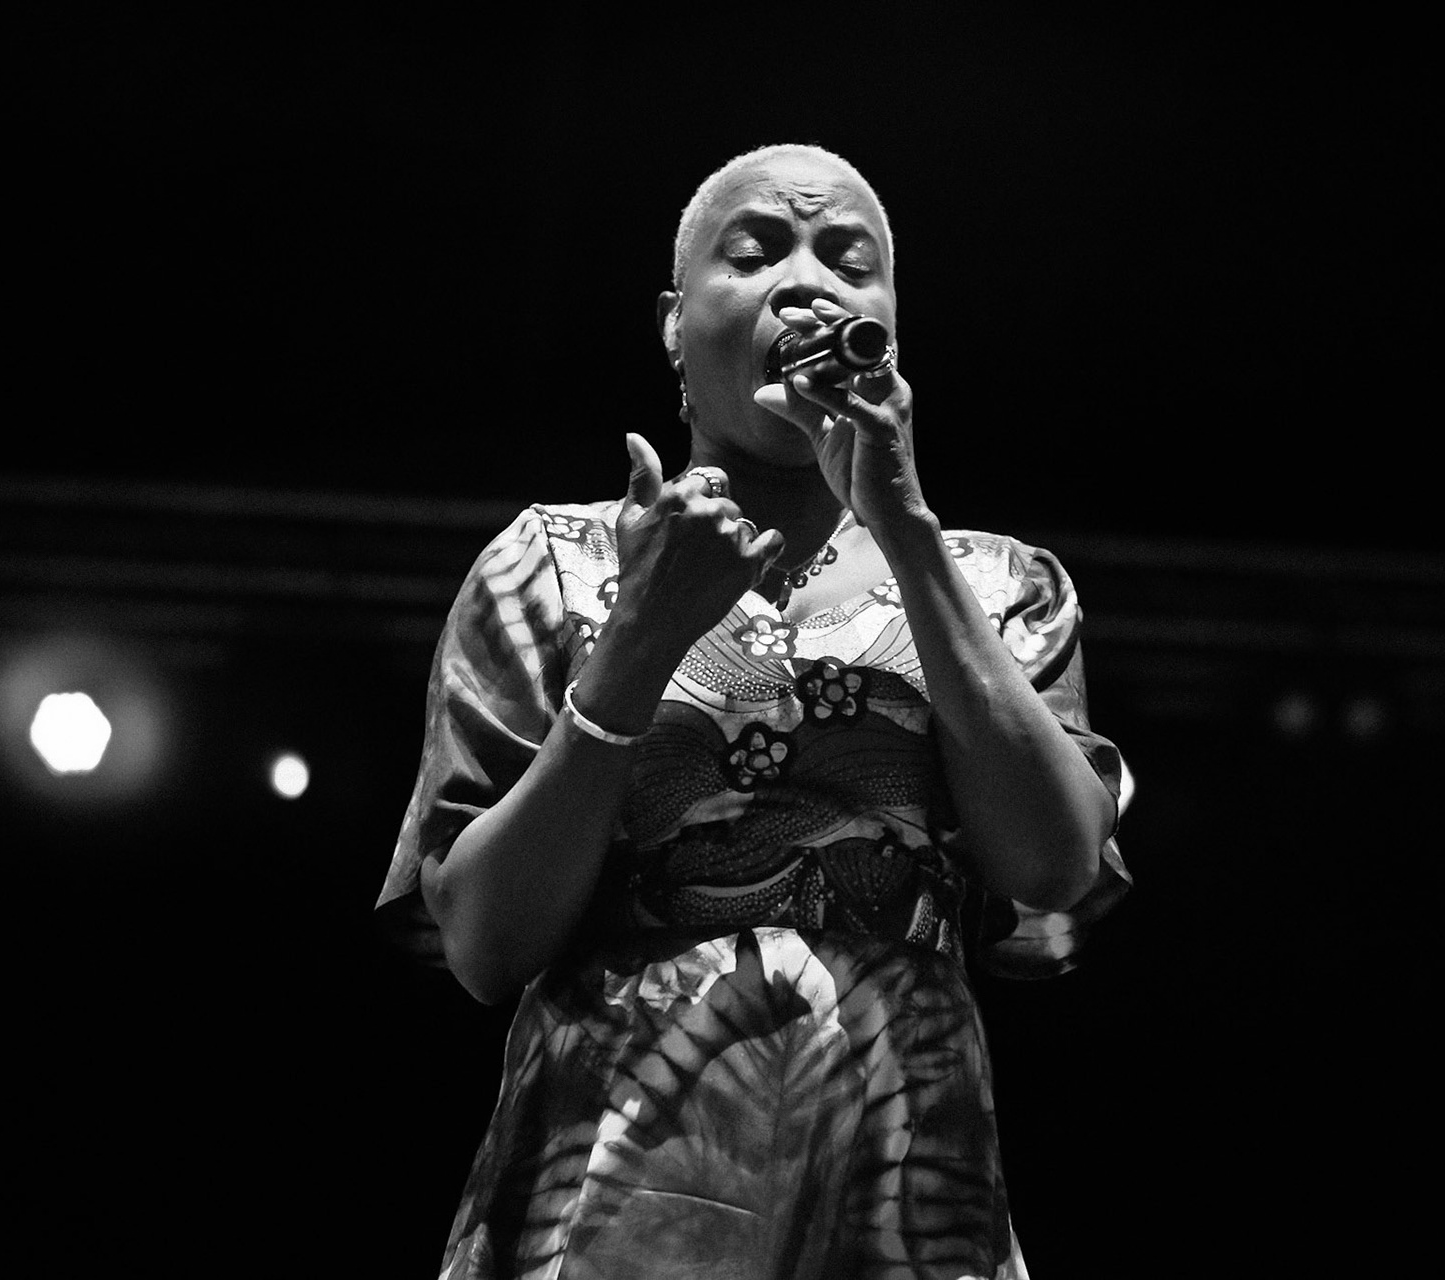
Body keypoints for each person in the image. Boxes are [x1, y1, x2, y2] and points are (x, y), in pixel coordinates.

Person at [377, 142, 1131, 1280]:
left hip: (900, 1172)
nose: (807, 281)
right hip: (615, 1179)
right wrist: (640, 640)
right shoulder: (556, 563)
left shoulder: (996, 582)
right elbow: (485, 942)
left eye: (848, 259)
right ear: (676, 325)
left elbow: (1056, 861)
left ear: (887, 318)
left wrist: (904, 521)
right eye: (757, 250)